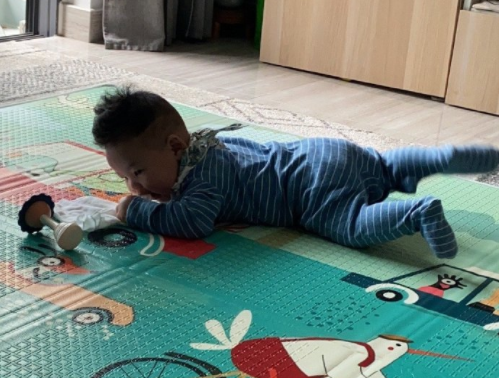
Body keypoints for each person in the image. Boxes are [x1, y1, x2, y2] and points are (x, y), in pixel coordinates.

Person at [92, 87, 499, 259]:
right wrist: (153, 187)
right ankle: (436, 158)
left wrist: (135, 209)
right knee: (384, 168)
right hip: (323, 150)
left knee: (350, 225)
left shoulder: (202, 178)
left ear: (175, 148)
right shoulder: (208, 145)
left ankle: (416, 213)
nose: (134, 186)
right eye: (126, 179)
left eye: (138, 172)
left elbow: (192, 221)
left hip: (308, 189)